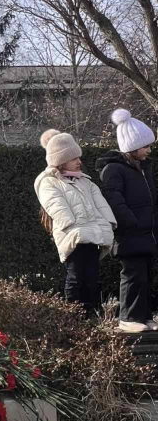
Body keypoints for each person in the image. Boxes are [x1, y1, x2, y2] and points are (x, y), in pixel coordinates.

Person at [35, 129, 116, 317]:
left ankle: (91, 317)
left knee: (92, 278)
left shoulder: (85, 182)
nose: (79, 161)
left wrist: (107, 224)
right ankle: (73, 319)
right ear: (61, 161)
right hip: (72, 235)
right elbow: (55, 205)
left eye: (79, 157)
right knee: (76, 278)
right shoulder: (49, 182)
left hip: (92, 235)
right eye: (74, 158)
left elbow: (101, 206)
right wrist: (72, 225)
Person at [97, 108, 158, 333]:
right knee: (132, 275)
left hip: (146, 233)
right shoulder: (114, 170)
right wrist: (131, 223)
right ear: (132, 147)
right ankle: (129, 317)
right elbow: (114, 200)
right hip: (130, 233)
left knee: (145, 275)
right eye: (145, 146)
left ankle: (144, 316)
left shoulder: (142, 168)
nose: (149, 150)